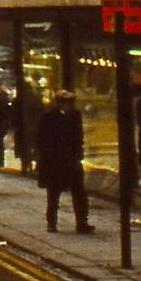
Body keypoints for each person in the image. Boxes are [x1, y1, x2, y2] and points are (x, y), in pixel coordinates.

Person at [36, 89, 93, 232]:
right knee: (53, 195)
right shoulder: (48, 118)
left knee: (79, 194)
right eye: (68, 103)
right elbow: (41, 140)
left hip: (72, 161)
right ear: (60, 103)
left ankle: (81, 223)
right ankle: (51, 223)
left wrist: (78, 154)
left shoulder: (75, 116)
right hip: (54, 162)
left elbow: (79, 137)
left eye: (72, 103)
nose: (71, 106)